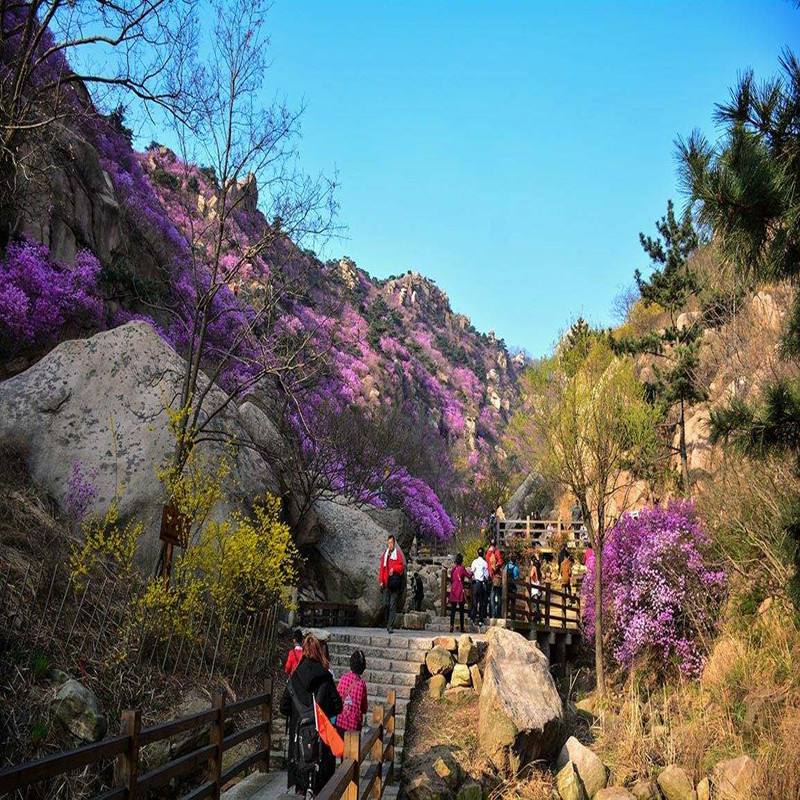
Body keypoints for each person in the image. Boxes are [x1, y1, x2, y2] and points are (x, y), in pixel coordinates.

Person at [280, 634, 343, 797]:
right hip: (321, 744)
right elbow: (338, 707)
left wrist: (297, 712)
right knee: (322, 790)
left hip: (298, 747)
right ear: (319, 653)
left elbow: (283, 707)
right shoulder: (326, 678)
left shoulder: (294, 678)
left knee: (300, 789)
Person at [336, 650, 368, 735]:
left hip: (340, 723)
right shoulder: (361, 684)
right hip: (353, 727)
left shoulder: (343, 678)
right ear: (363, 667)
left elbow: (337, 697)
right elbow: (364, 708)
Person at [379, 534, 406, 634]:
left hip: (394, 584)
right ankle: (387, 622)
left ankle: (390, 625)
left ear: (394, 543)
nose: (390, 545)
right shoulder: (385, 555)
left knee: (392, 605)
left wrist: (393, 569)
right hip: (386, 583)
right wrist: (381, 581)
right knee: (385, 604)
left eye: (391, 543)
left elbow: (401, 568)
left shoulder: (397, 554)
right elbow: (382, 569)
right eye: (388, 543)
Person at [448, 553, 470, 633]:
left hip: (454, 589)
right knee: (461, 610)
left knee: (453, 610)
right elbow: (468, 576)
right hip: (460, 590)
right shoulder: (462, 568)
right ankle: (462, 627)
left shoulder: (453, 569)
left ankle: (451, 626)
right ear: (461, 561)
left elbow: (451, 579)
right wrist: (473, 572)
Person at [469, 547, 490, 625]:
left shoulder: (474, 562)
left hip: (475, 583)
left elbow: (472, 571)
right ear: (483, 553)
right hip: (481, 584)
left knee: (474, 601)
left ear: (477, 553)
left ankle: (473, 618)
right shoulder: (485, 563)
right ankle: (481, 620)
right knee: (481, 602)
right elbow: (487, 575)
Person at [486, 538, 504, 619]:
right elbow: (500, 562)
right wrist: (496, 568)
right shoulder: (496, 552)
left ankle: (492, 614)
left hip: (490, 576)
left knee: (492, 596)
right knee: (498, 596)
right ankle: (497, 614)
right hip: (496, 577)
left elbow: (487, 564)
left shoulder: (488, 553)